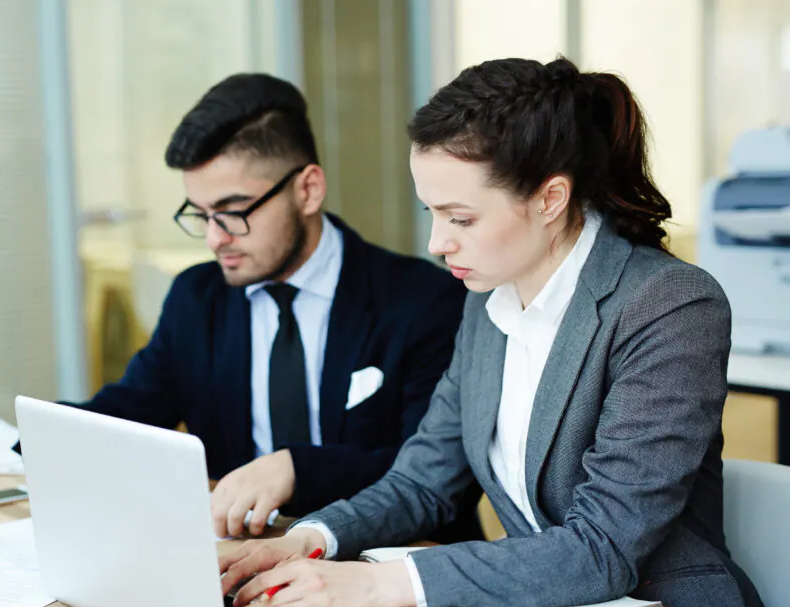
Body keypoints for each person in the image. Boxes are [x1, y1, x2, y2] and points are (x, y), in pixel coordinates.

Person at [218, 57, 775, 607]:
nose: (437, 242)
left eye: (461, 217)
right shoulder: (487, 299)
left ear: (550, 198)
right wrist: (310, 539)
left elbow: (602, 548)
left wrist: (384, 584)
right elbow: (423, 481)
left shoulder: (669, 305)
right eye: (431, 212)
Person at [45, 73, 480, 541]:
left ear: (308, 189)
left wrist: (296, 470)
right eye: (201, 214)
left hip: (391, 558)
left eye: (233, 212)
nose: (215, 238)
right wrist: (40, 439)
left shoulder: (424, 301)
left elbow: (436, 473)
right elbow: (132, 412)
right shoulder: (198, 297)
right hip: (245, 553)